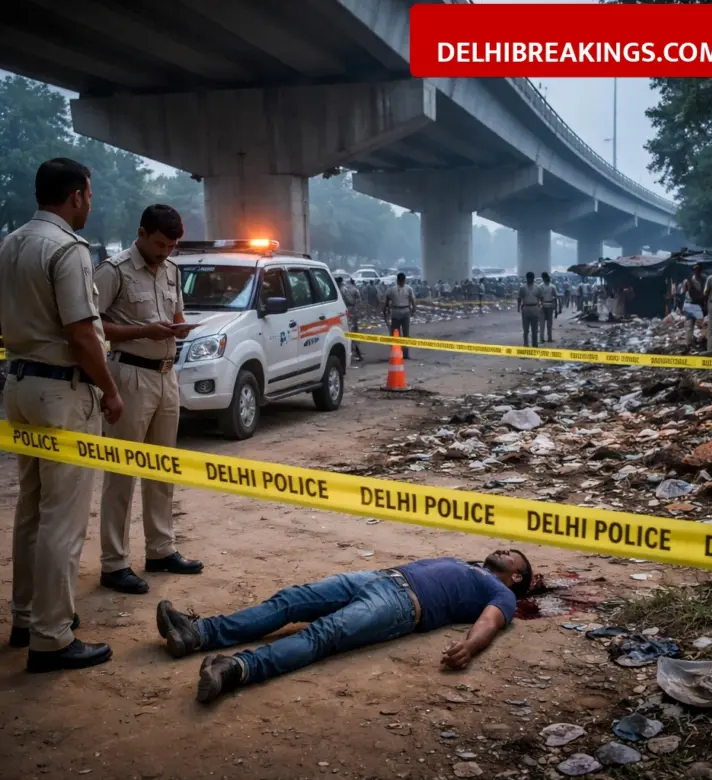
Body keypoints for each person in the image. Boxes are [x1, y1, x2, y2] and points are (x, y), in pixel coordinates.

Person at [0, 158, 124, 672]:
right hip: (61, 394)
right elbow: (80, 335)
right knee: (63, 517)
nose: (90, 204)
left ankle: (26, 618)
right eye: (89, 195)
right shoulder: (68, 249)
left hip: (20, 386)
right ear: (76, 196)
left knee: (31, 507)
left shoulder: (10, 244)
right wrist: (111, 390)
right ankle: (52, 637)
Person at [155, 549, 532, 703]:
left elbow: (490, 621)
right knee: (289, 601)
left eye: (512, 555)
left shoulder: (502, 594)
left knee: (322, 635)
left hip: (400, 605)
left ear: (516, 576)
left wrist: (470, 646)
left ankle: (237, 668)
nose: (502, 549)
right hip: (379, 578)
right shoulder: (468, 564)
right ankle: (198, 633)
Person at [94, 205, 203, 596]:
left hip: (166, 374)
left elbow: (175, 314)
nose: (165, 252)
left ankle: (160, 549)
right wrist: (143, 331)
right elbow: (92, 324)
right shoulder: (114, 270)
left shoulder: (173, 269)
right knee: (122, 472)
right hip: (129, 374)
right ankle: (114, 563)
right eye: (160, 244)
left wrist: (177, 329)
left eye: (172, 245)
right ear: (141, 233)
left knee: (163, 468)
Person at [384, 272, 416, 359]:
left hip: (405, 311)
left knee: (405, 333)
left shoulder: (409, 289)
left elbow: (412, 300)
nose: (402, 282)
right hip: (396, 311)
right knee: (396, 333)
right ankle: (397, 353)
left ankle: (405, 354)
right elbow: (387, 301)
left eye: (403, 280)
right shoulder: (392, 289)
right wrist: (386, 310)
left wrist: (413, 309)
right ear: (398, 280)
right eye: (401, 280)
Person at [337, 277, 363, 363]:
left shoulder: (342, 289)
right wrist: (359, 312)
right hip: (352, 310)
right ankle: (356, 352)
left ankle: (353, 351)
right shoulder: (355, 289)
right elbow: (359, 301)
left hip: (344, 310)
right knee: (353, 331)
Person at [681, 264, 706, 349]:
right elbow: (683, 293)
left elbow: (683, 293)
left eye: (698, 269)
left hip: (695, 305)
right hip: (691, 305)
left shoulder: (702, 280)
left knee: (700, 324)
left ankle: (697, 342)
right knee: (691, 325)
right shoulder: (689, 281)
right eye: (696, 269)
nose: (697, 271)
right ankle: (689, 343)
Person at [518, 271, 542, 348]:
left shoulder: (537, 287)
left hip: (535, 307)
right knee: (525, 330)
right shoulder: (522, 287)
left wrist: (540, 306)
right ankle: (526, 345)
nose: (530, 280)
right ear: (527, 278)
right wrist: (519, 307)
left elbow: (541, 297)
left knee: (534, 329)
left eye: (531, 278)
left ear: (533, 278)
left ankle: (535, 345)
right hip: (526, 308)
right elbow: (520, 298)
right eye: (528, 278)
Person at [539, 272, 558, 343]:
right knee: (543, 324)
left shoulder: (552, 286)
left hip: (549, 305)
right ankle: (542, 338)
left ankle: (548, 338)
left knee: (548, 324)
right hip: (544, 305)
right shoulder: (541, 286)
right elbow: (538, 297)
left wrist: (556, 310)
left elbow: (556, 298)